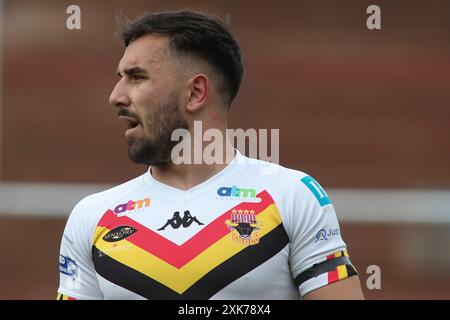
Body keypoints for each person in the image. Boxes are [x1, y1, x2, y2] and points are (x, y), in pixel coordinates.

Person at [57, 9, 364, 300]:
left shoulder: (293, 197)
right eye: (120, 77)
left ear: (195, 93)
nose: (116, 96)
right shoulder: (92, 216)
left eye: (137, 77)